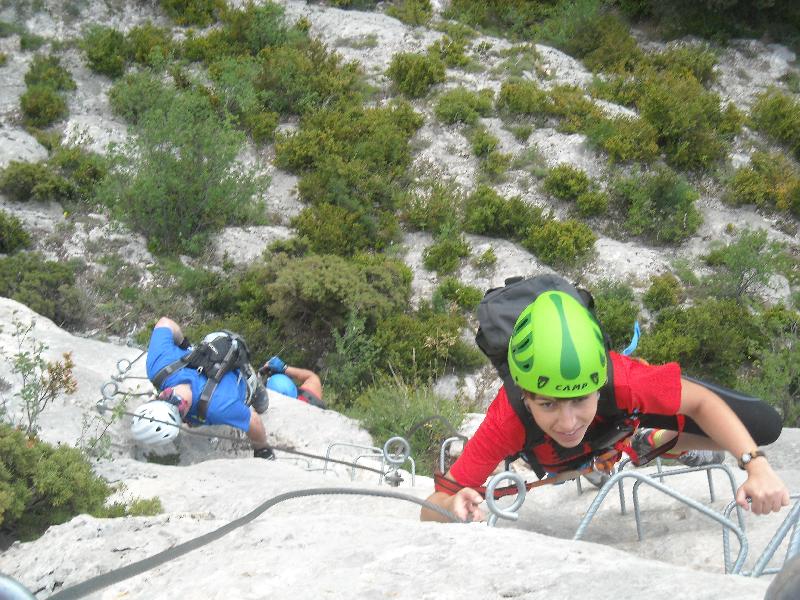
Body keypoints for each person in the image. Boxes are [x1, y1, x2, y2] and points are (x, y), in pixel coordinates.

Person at [420, 291, 790, 522]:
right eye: (548, 404)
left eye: (579, 398)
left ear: (599, 385)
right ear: (526, 395)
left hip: (616, 427)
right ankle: (634, 447)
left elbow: (702, 403)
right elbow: (430, 506)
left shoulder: (625, 379)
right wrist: (449, 509)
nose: (567, 421)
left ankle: (646, 443)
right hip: (564, 460)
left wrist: (755, 465)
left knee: (762, 426)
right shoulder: (507, 419)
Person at [139, 317, 275, 460]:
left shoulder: (218, 407)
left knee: (262, 406)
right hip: (211, 345)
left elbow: (254, 421)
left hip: (241, 376)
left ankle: (255, 382)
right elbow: (164, 322)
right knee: (199, 420)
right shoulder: (158, 368)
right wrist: (183, 343)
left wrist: (263, 450)